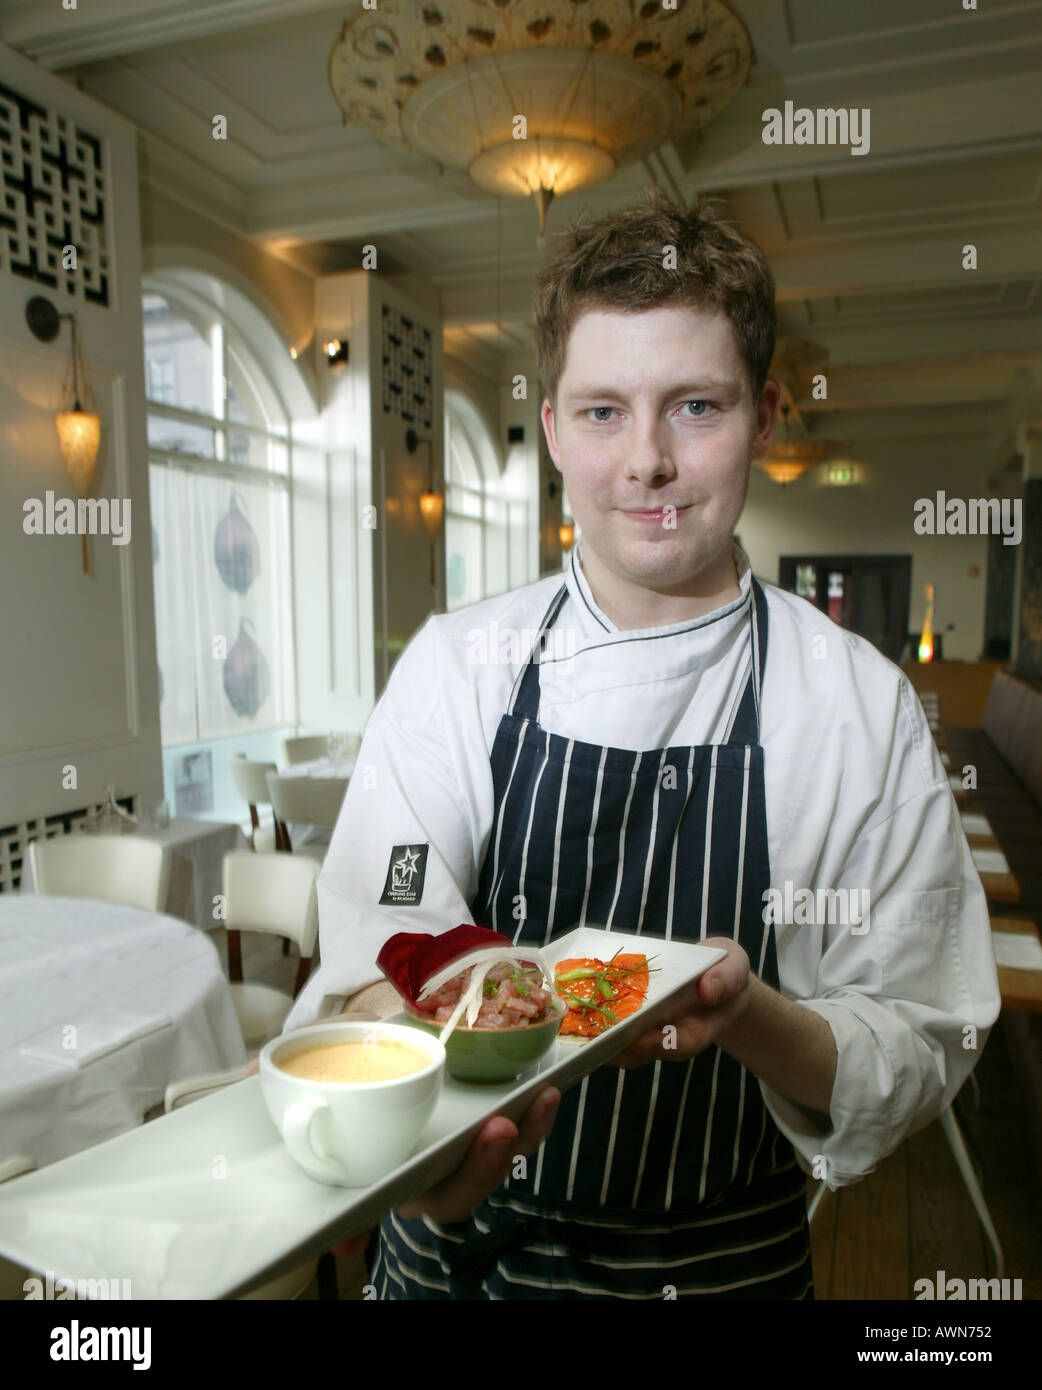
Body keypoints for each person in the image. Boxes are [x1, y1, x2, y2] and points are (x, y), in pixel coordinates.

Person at [281, 192, 1000, 1299]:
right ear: (556, 427)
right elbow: (378, 955)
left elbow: (915, 1036)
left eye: (695, 406)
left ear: (763, 416)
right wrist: (398, 1136)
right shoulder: (457, 663)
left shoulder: (856, 699)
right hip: (455, 1259)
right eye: (604, 411)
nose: (647, 462)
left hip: (721, 1266)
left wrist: (749, 1015)